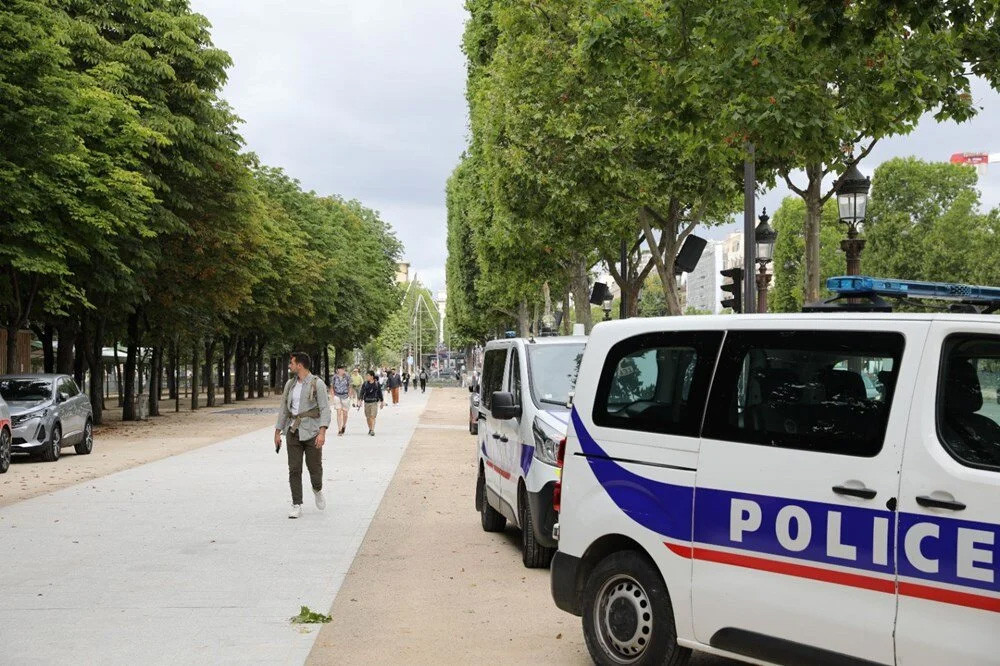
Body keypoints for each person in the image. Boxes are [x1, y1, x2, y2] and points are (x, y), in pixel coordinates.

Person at [274, 352, 331, 519]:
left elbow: (325, 409)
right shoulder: (290, 385)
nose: (289, 365)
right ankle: (296, 503)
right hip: (292, 431)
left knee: (314, 468)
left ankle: (317, 489)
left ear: (300, 365)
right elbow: (284, 408)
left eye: (292, 363)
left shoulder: (317, 383)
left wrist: (322, 432)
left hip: (312, 431)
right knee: (294, 469)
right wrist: (278, 431)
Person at [359, 370, 385, 436]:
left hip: (374, 402)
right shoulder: (365, 384)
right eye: (366, 375)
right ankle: (370, 429)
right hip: (367, 402)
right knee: (368, 417)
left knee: (372, 416)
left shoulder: (376, 384)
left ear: (372, 376)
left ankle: (372, 430)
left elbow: (380, 393)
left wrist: (382, 401)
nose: (367, 377)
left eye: (368, 375)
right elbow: (362, 393)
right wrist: (360, 401)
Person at [330, 365, 351, 435]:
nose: (342, 370)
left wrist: (349, 395)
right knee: (338, 412)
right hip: (337, 395)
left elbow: (350, 386)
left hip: (345, 396)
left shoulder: (347, 376)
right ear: (338, 370)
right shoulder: (334, 377)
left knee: (345, 413)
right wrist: (333, 396)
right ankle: (339, 430)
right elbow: (332, 386)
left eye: (343, 369)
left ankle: (344, 425)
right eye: (341, 369)